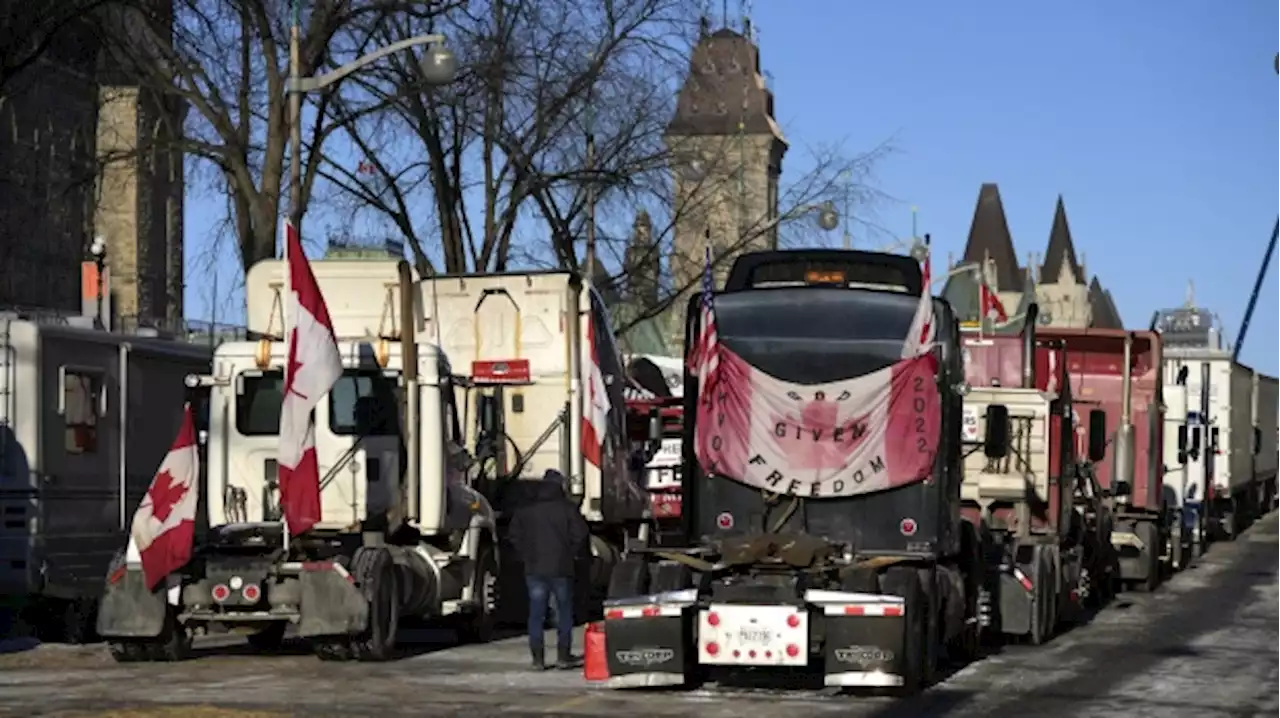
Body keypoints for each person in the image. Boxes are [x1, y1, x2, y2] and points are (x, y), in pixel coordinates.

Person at [507, 469, 589, 671]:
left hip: (534, 568)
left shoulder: (526, 511)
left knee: (536, 614)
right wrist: (572, 553)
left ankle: (538, 659)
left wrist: (525, 555)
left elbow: (514, 536)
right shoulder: (568, 510)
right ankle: (563, 656)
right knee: (564, 613)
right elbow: (581, 535)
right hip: (562, 568)